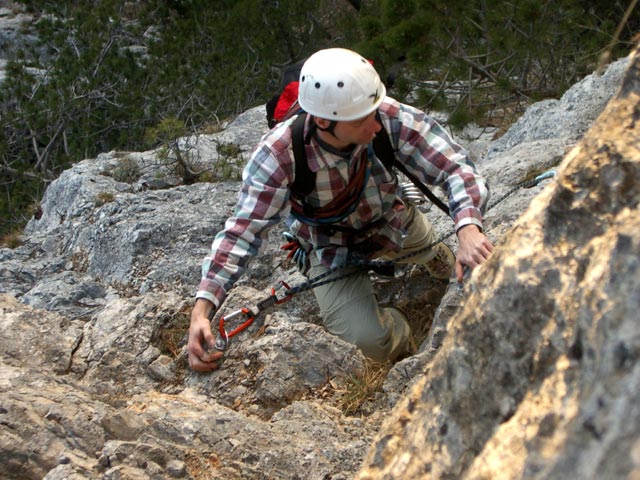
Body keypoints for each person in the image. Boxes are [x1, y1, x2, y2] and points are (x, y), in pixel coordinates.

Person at [188, 48, 493, 372]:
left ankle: (433, 256)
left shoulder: (384, 115)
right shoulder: (279, 155)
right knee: (369, 343)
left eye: (375, 110)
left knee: (430, 249)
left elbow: (455, 168)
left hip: (391, 221)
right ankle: (405, 334)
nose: (376, 124)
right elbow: (242, 231)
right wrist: (201, 311)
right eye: (362, 119)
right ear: (322, 120)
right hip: (327, 248)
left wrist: (468, 229)